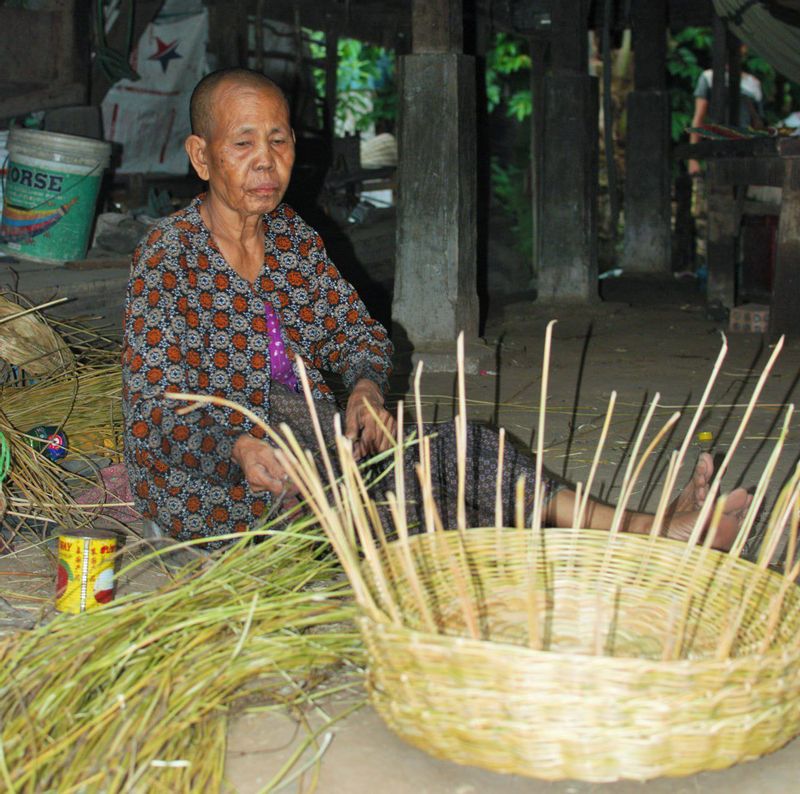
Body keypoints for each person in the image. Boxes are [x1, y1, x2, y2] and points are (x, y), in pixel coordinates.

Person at [121, 68, 751, 553]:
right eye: (243, 143)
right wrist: (236, 446)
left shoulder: (294, 239)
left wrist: (366, 388)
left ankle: (653, 527)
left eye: (279, 140)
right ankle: (618, 536)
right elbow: (154, 413)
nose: (266, 160)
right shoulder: (168, 258)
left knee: (466, 447)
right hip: (219, 480)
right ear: (202, 157)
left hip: (315, 446)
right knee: (405, 506)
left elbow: (358, 336)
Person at [688, 46, 764, 176]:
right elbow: (698, 118)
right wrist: (693, 158)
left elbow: (758, 125)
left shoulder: (753, 84)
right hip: (717, 144)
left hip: (744, 147)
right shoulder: (709, 77)